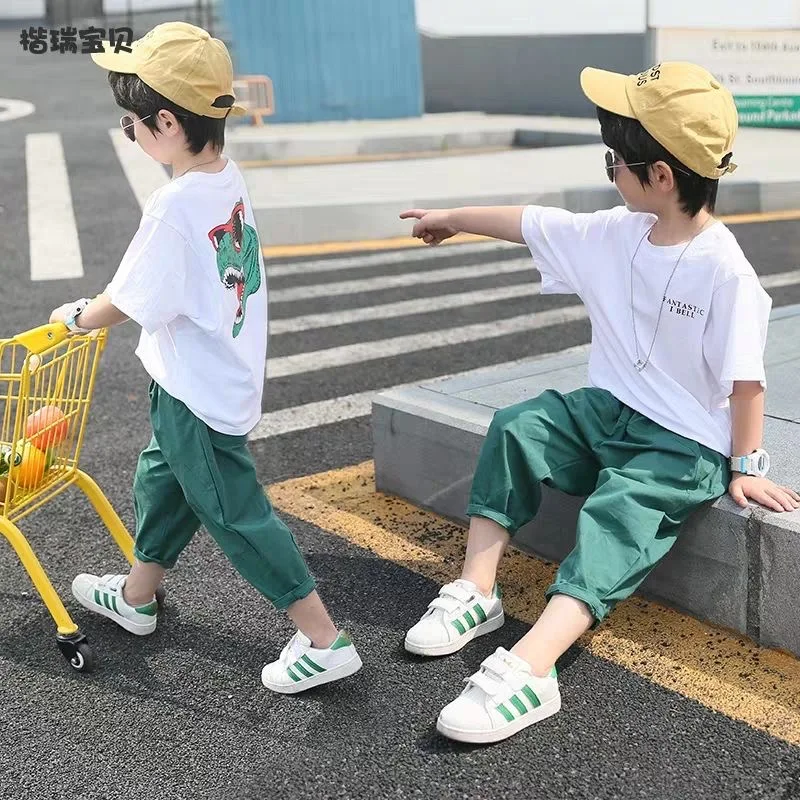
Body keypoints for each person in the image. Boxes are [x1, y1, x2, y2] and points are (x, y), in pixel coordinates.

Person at [399, 61, 800, 744]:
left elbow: (746, 382)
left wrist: (746, 464)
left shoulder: (725, 271)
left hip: (682, 445)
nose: (609, 170)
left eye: (614, 160)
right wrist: (451, 219)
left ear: (661, 176)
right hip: (608, 411)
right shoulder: (617, 231)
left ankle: (534, 666)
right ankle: (478, 590)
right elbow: (531, 222)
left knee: (619, 513)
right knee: (519, 426)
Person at [49, 22, 361, 693]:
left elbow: (127, 298)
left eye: (131, 123)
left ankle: (324, 640)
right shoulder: (225, 177)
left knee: (236, 513)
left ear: (166, 123)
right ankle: (136, 598)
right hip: (208, 376)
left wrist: (75, 318)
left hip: (197, 394)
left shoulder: (174, 205)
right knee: (162, 482)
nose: (130, 133)